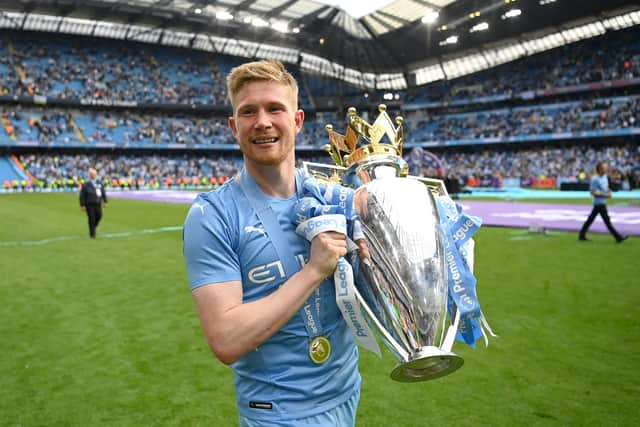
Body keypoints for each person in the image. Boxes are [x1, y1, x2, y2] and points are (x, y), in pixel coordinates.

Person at [182, 60, 360, 426]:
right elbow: (226, 340)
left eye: (274, 108)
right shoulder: (212, 216)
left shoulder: (330, 197)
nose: (262, 121)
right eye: (249, 112)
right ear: (235, 126)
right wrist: (313, 271)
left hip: (346, 392)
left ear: (297, 120)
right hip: (279, 413)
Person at [578, 161, 628, 243]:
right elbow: (593, 192)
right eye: (605, 168)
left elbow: (606, 187)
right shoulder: (595, 179)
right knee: (607, 221)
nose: (606, 169)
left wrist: (609, 191)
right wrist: (606, 195)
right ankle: (618, 237)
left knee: (590, 219)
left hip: (602, 202)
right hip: (599, 203)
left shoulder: (605, 177)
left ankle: (581, 235)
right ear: (600, 169)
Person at [79, 167, 108, 239]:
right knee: (91, 218)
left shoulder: (99, 183)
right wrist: (82, 205)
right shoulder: (86, 184)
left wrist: (105, 201)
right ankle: (92, 234)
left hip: (98, 203)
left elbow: (103, 192)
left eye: (94, 174)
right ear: (89, 175)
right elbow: (82, 195)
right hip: (89, 204)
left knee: (99, 216)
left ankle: (93, 227)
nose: (93, 175)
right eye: (92, 174)